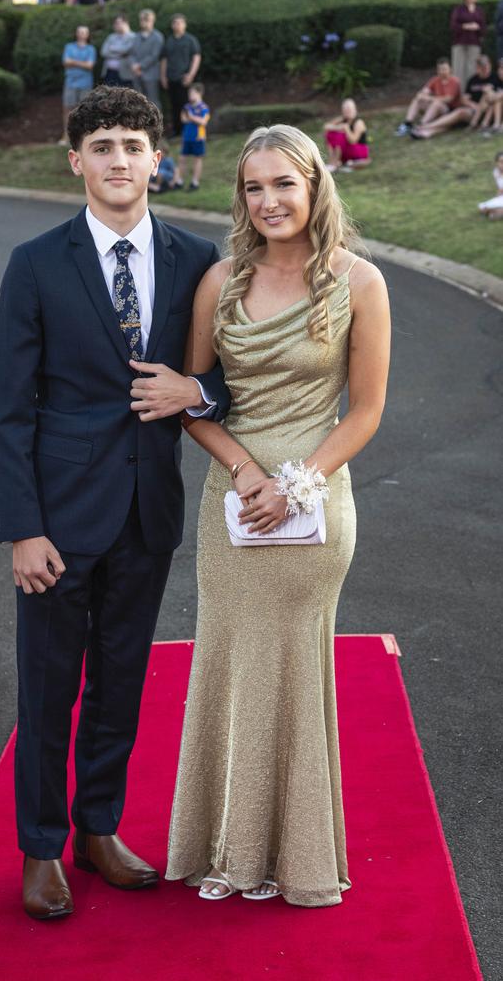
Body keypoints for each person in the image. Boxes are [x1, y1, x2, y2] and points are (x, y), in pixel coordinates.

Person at [0, 86, 231, 921]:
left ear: (156, 158)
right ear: (76, 162)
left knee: (120, 684)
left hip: (146, 514)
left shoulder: (199, 260)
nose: (118, 160)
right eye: (102, 147)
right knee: (48, 689)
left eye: (132, 145)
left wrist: (194, 389)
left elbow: (229, 379)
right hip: (56, 521)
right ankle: (41, 848)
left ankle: (98, 830)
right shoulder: (37, 263)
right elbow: (11, 407)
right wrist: (22, 528)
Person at [165, 123, 390, 904]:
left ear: (315, 184)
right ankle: (228, 849)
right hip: (230, 499)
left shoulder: (359, 281)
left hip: (315, 504)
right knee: (227, 662)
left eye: (283, 184)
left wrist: (296, 482)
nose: (268, 200)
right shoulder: (219, 281)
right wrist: (245, 471)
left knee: (292, 667)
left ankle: (291, 857)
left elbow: (364, 412)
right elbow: (195, 403)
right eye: (254, 187)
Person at [409, 55, 492, 139]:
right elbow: (464, 99)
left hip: (485, 112)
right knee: (450, 122)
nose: (484, 68)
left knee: (458, 112)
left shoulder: (494, 79)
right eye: (481, 66)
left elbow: (449, 99)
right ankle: (426, 132)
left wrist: (482, 105)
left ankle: (425, 126)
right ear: (477, 67)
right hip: (472, 110)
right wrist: (473, 105)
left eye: (485, 66)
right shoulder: (472, 80)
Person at [395, 58, 461, 137]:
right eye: (439, 69)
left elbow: (448, 99)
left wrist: (429, 98)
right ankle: (408, 123)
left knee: (437, 103)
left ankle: (422, 124)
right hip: (435, 107)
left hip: (449, 110)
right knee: (418, 100)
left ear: (450, 69)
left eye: (444, 69)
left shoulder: (454, 81)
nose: (442, 72)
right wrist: (422, 95)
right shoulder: (435, 80)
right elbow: (424, 91)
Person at [160, 15, 201, 137]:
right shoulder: (169, 41)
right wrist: (163, 76)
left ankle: (187, 131)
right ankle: (176, 131)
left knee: (186, 105)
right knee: (174, 106)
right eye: (175, 23)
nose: (177, 25)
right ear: (172, 25)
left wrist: (191, 74)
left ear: (185, 24)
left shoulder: (190, 40)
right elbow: (164, 59)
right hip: (171, 78)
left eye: (180, 23)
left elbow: (196, 57)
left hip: (184, 78)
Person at [58, 25, 96, 146]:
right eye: (80, 32)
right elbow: (66, 62)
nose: (82, 34)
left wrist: (73, 62)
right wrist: (82, 63)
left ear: (88, 35)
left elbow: (89, 66)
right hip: (70, 81)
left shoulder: (91, 49)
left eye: (84, 32)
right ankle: (67, 135)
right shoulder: (69, 47)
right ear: (76, 33)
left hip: (85, 83)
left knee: (84, 110)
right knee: (68, 109)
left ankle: (83, 136)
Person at [171, 83, 210, 191]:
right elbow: (183, 119)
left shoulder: (204, 107)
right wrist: (194, 119)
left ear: (200, 93)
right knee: (182, 159)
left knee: (197, 159)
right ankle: (179, 181)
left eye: (193, 93)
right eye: (189, 93)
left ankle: (195, 182)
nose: (190, 95)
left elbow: (203, 122)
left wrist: (192, 117)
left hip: (198, 138)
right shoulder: (187, 107)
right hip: (187, 137)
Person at [450, 0, 486, 92]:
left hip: (474, 43)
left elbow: (483, 27)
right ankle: (459, 93)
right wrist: (464, 26)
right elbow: (453, 26)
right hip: (460, 42)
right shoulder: (458, 9)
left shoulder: (479, 10)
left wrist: (477, 27)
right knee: (458, 69)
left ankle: (471, 93)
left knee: (473, 69)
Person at [323, 98, 370, 172]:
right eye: (346, 109)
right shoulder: (343, 119)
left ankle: (334, 164)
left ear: (355, 109)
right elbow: (326, 126)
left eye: (350, 109)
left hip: (359, 150)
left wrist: (346, 129)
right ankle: (332, 161)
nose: (348, 111)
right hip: (347, 150)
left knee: (340, 135)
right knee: (330, 134)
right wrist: (338, 127)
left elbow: (353, 141)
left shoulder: (358, 122)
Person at [131, 8, 164, 110]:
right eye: (142, 20)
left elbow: (154, 56)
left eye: (147, 20)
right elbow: (132, 53)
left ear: (152, 21)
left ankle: (156, 125)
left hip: (151, 74)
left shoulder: (158, 37)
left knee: (153, 101)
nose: (144, 22)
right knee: (138, 102)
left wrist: (140, 66)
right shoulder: (136, 36)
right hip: (136, 74)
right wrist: (134, 65)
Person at [101, 14, 136, 88]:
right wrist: (120, 54)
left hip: (125, 73)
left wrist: (112, 49)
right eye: (115, 23)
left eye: (118, 23)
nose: (115, 25)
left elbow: (126, 50)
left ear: (126, 23)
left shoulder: (133, 37)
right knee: (109, 97)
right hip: (109, 73)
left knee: (124, 98)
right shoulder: (111, 37)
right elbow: (104, 52)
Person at [478, 150, 503, 219]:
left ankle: (495, 213)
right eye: (501, 162)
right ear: (497, 163)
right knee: (482, 208)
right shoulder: (496, 172)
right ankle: (494, 212)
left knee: (492, 215)